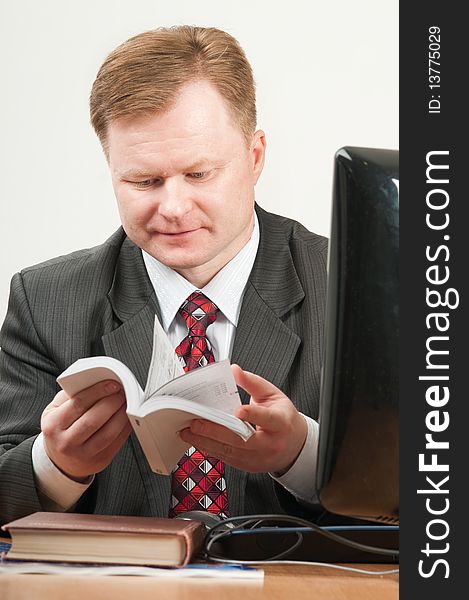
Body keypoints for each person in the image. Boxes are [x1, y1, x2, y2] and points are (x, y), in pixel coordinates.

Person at [0, 26, 327, 526]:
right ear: (111, 169)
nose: (173, 208)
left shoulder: (354, 289)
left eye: (198, 174)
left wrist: (303, 455)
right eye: (144, 181)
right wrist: (56, 467)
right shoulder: (45, 300)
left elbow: (433, 483)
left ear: (254, 157)